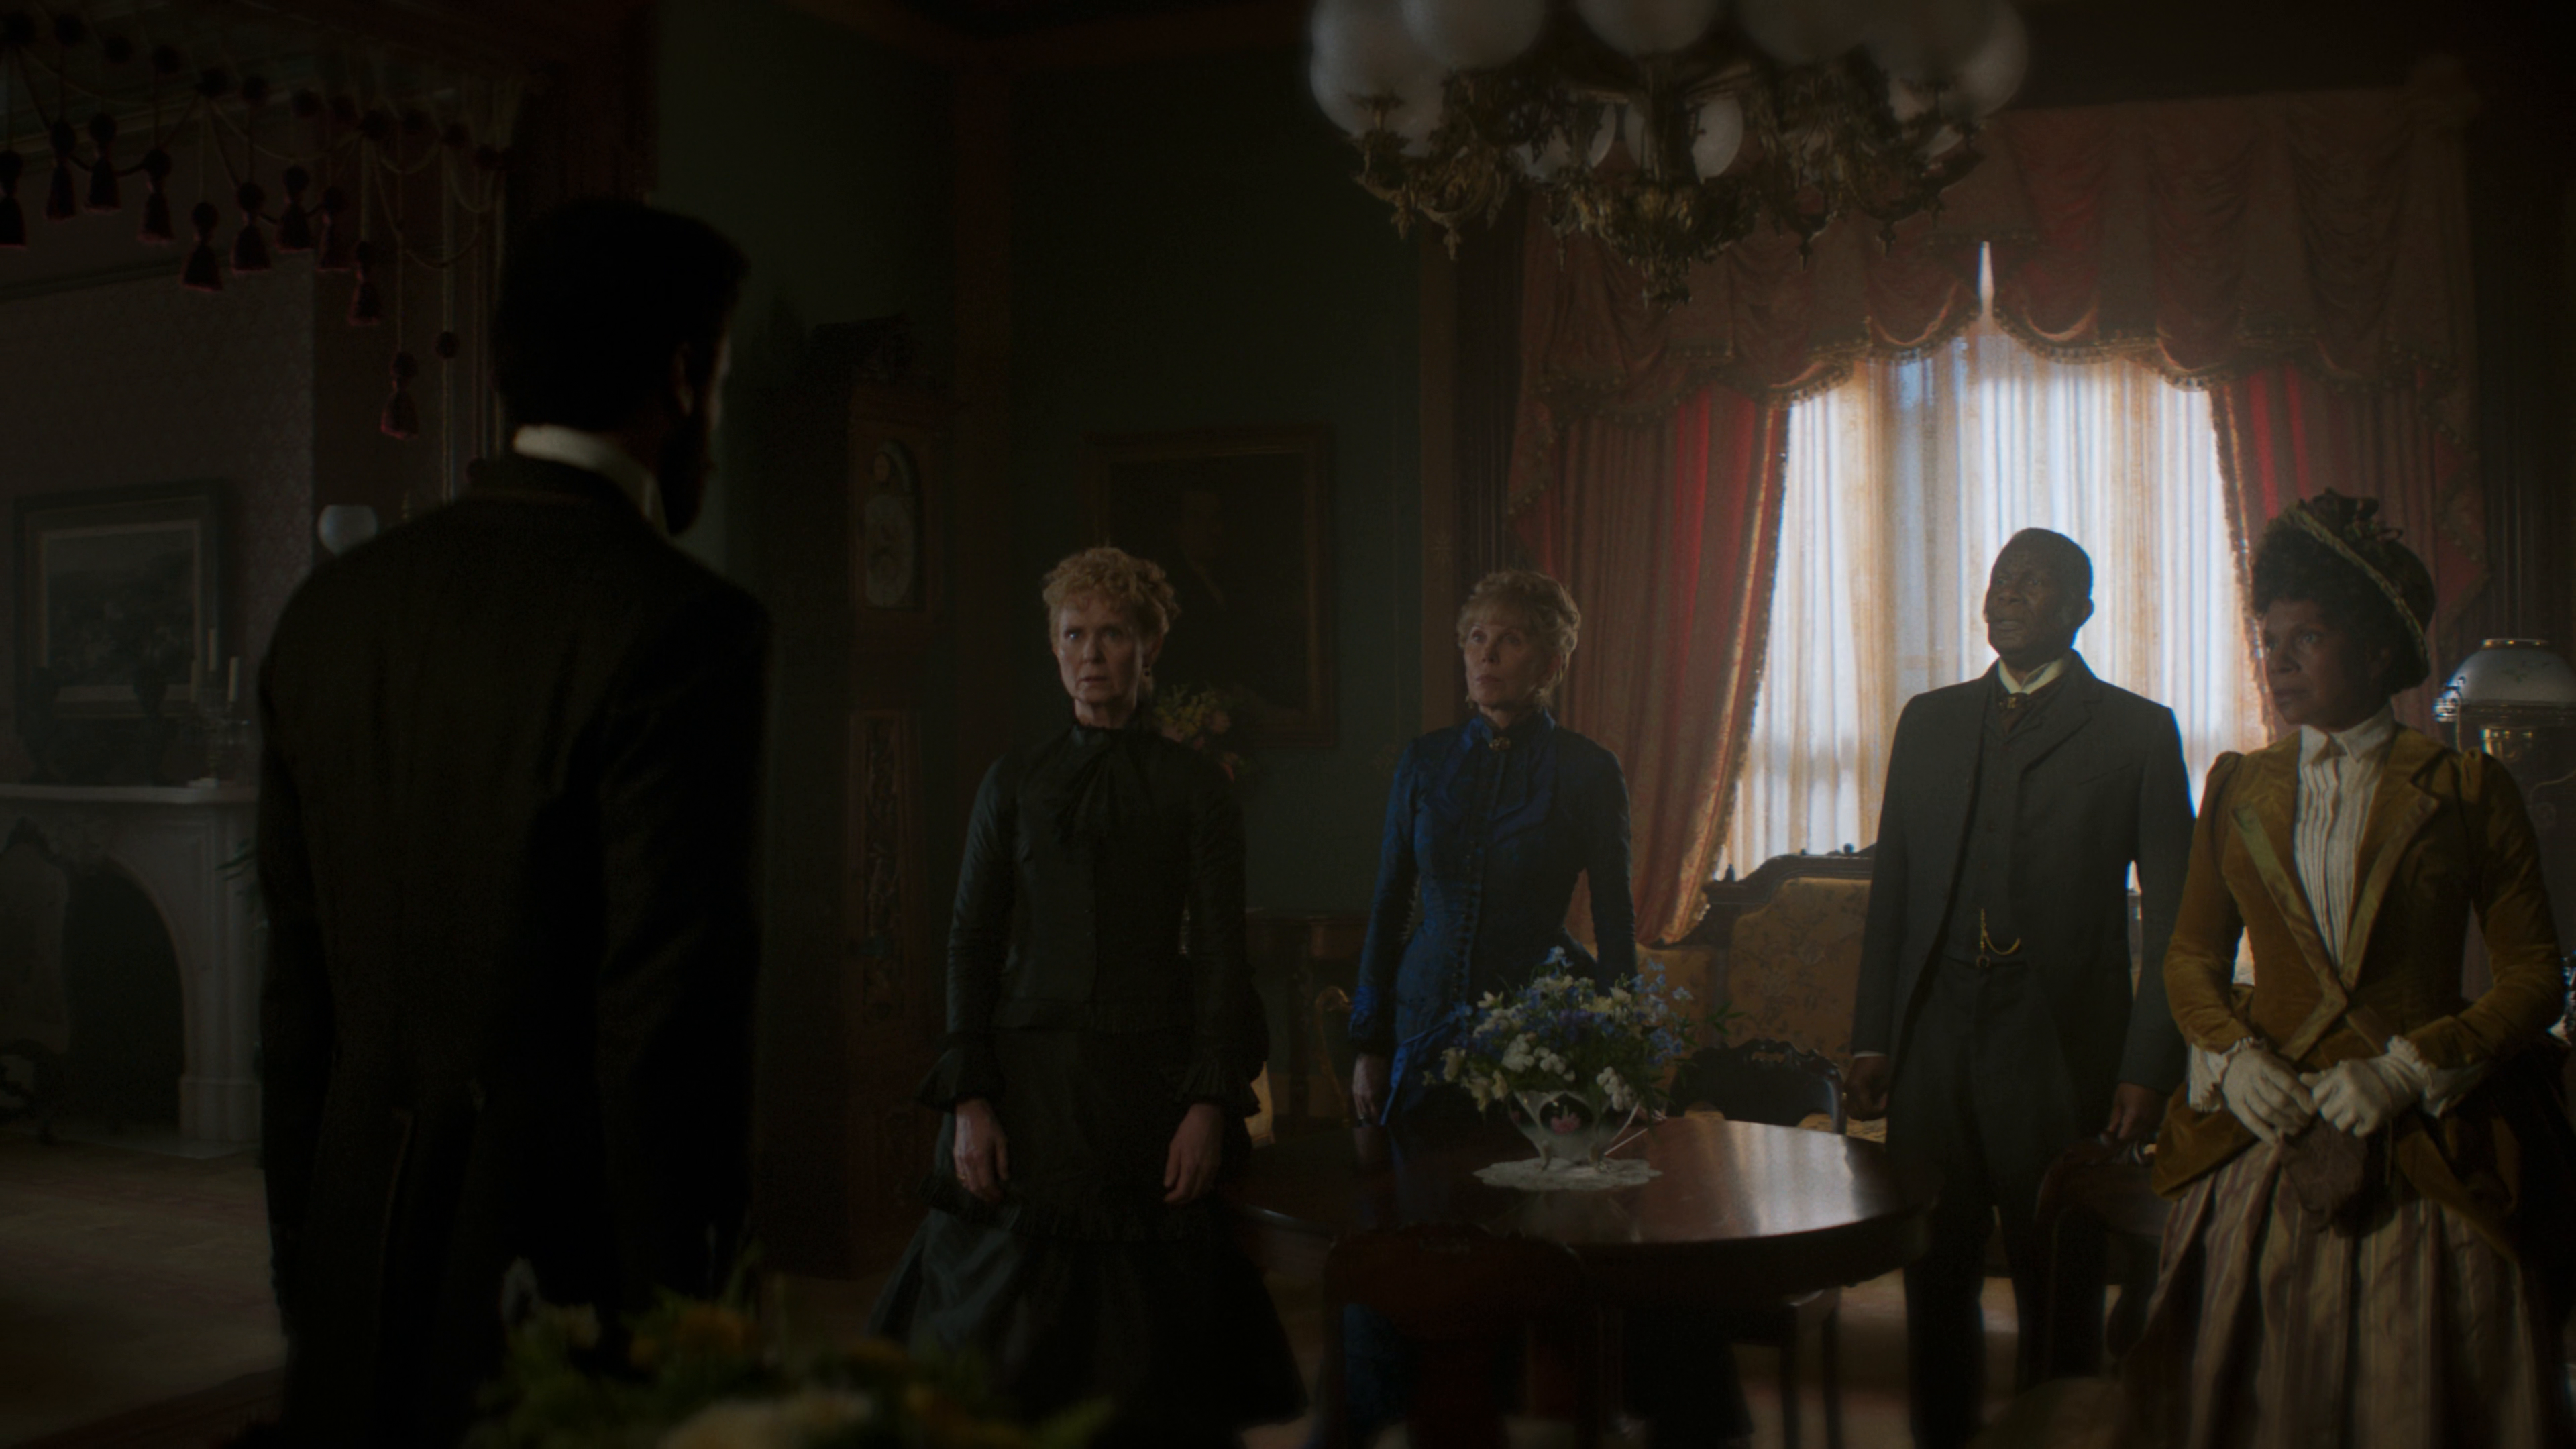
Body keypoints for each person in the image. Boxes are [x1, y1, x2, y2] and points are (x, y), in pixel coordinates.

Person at [256, 200, 765, 1445]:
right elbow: (664, 1031)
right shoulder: (681, 628)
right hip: (562, 1276)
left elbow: (296, 1005)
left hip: (350, 1260)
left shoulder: (329, 615)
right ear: (683, 376)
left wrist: (311, 1269)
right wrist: (687, 1341)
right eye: (720, 379)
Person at [2116, 493, 2575, 1447]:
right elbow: (2190, 956)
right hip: (2268, 1133)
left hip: (2424, 1143)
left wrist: (2409, 1069)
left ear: (2375, 652)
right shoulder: (2239, 785)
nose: (2278, 662)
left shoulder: (2464, 789)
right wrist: (2233, 1056)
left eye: (2308, 638)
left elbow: (2534, 976)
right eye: (2269, 640)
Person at [869, 546, 1302, 1447]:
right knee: (990, 1361)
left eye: (1112, 634)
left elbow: (1221, 957)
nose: (1091, 654)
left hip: (1144, 1092)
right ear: (1053, 647)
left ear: (1151, 648)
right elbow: (971, 940)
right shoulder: (1013, 780)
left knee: (1142, 1376)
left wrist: (1208, 1106)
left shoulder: (1195, 788)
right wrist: (970, 1102)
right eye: (1074, 635)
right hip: (1024, 1092)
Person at [1342, 568, 1750, 1446]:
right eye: (1476, 638)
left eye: (1511, 639)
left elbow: (1615, 922)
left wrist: (1623, 1054)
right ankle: (1405, 1417)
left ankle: (1580, 1410)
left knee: (1561, 1240)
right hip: (1420, 1029)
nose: (1487, 656)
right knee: (1410, 1237)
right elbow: (1387, 904)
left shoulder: (1587, 771)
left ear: (1553, 660)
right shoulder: (1423, 763)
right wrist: (1369, 1041)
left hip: (1540, 1033)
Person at [1844, 527, 2194, 1448]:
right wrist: (1874, 1036)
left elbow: (2177, 922)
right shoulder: (1930, 720)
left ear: (2080, 610)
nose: (2005, 594)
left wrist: (2147, 1068)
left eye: (2032, 583)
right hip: (1931, 1040)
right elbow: (1894, 896)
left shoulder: (2137, 732)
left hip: (2059, 1044)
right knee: (1935, 1272)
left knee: (2059, 1279)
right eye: (2000, 579)